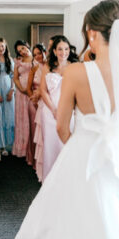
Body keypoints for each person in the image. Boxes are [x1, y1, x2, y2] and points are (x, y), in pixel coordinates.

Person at [8, 1, 119, 239]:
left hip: (83, 154)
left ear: (92, 33)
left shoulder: (75, 71)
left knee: (69, 221)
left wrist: (77, 151)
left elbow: (61, 126)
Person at [34, 36, 76, 181]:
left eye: (66, 49)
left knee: (67, 145)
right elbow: (43, 90)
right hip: (50, 111)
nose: (63, 52)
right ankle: (50, 180)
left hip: (70, 112)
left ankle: (67, 179)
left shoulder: (75, 66)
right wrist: (53, 109)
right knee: (51, 146)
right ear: (54, 51)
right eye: (60, 49)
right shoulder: (48, 66)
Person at [0, 38, 15, 154]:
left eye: (2, 46)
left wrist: (12, 90)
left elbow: (13, 77)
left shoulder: (10, 60)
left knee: (8, 117)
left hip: (8, 90)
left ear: (6, 47)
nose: (1, 48)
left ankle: (4, 146)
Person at [12, 41, 33, 158]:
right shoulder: (18, 62)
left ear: (27, 46)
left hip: (32, 92)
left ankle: (32, 148)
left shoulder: (36, 59)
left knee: (31, 119)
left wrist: (29, 90)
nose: (22, 52)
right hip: (21, 94)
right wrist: (21, 89)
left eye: (24, 48)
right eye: (20, 51)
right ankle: (22, 148)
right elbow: (15, 78)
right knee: (22, 119)